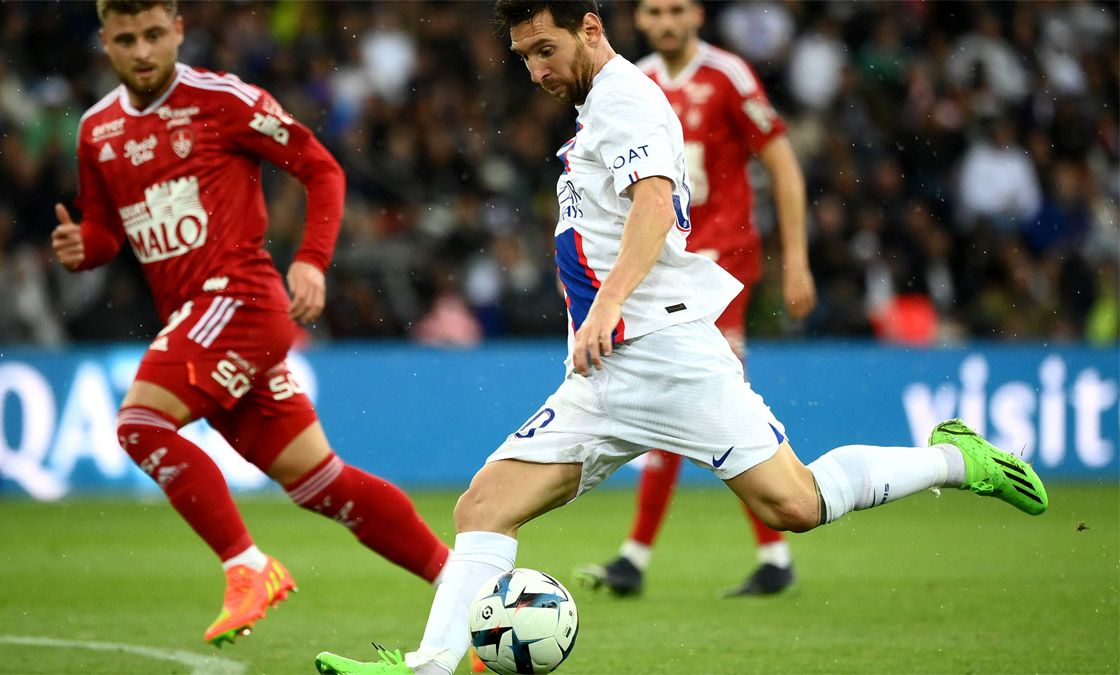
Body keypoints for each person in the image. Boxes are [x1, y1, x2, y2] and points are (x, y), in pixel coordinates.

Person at [313, 3, 1047, 674]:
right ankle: (429, 667)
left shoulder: (624, 99)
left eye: (545, 50)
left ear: (590, 28)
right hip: (601, 375)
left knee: (795, 504)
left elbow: (655, 206)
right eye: (524, 58)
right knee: (483, 506)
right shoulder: (601, 105)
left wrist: (607, 303)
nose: (536, 71)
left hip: (665, 354)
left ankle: (956, 459)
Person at [52, 0, 451, 647]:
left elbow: (321, 168)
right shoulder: (97, 129)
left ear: (178, 30)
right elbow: (104, 230)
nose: (143, 52)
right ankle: (468, 588)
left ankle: (247, 566)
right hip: (200, 320)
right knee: (322, 482)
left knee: (140, 424)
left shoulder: (222, 101)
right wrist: (84, 247)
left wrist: (312, 260)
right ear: (106, 41)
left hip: (238, 300)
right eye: (127, 40)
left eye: (154, 35)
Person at [575, 0, 816, 599]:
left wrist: (797, 260)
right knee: (678, 397)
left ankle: (742, 552)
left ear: (698, 15)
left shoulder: (728, 75)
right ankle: (748, 555)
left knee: (708, 398)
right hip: (664, 267)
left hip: (721, 267)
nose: (665, 22)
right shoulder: (633, 81)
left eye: (676, 9)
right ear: (639, 19)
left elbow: (783, 164)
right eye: (654, 11)